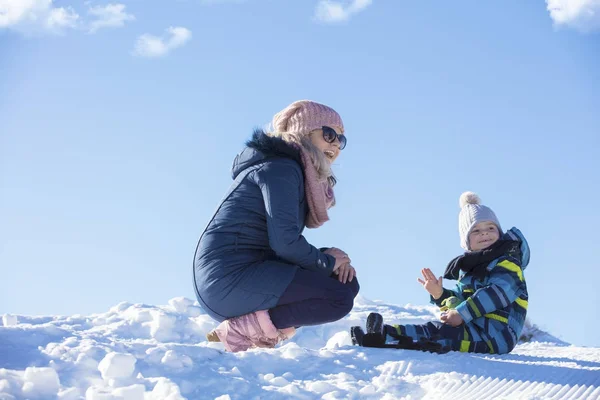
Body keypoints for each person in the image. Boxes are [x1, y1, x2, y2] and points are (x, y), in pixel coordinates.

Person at [193, 100, 359, 352]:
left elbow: (282, 242)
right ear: (304, 132)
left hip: (246, 273)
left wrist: (330, 261)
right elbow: (285, 242)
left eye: (341, 140)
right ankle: (242, 332)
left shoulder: (289, 168)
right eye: (329, 134)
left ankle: (253, 328)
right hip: (228, 279)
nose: (336, 144)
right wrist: (325, 262)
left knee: (345, 282)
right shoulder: (280, 169)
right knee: (338, 297)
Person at [352, 192, 529, 355]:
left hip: (497, 336)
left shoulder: (509, 262)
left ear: (499, 232)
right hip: (476, 328)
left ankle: (403, 339)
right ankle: (381, 334)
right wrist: (440, 295)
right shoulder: (470, 270)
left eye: (491, 228)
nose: (484, 232)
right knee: (434, 327)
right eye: (476, 230)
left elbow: (496, 293)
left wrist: (461, 314)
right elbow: (458, 302)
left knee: (440, 333)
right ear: (467, 242)